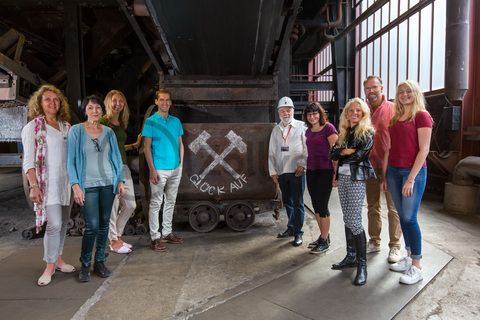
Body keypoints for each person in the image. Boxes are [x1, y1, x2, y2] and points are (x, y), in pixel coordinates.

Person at [21, 84, 75, 286]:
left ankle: (59, 259)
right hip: (46, 184)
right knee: (54, 224)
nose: (52, 103)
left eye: (56, 99)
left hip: (65, 183)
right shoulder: (33, 127)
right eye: (47, 99)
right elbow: (28, 161)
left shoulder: (65, 127)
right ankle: (50, 265)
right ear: (40, 103)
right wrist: (33, 185)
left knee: (63, 225)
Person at [67, 95, 125, 282]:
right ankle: (85, 264)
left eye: (98, 108)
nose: (94, 111)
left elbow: (116, 157)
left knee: (104, 224)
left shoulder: (109, 132)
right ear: (85, 110)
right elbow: (70, 161)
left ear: (102, 110)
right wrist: (75, 185)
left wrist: (120, 180)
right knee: (92, 225)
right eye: (90, 108)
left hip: (108, 183)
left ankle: (99, 261)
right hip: (88, 185)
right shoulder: (76, 131)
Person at [382, 80, 433, 285]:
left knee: (410, 218)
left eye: (408, 91)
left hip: (413, 173)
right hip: (394, 171)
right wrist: (385, 176)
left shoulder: (422, 116)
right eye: (401, 92)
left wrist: (411, 178)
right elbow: (390, 149)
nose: (404, 94)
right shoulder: (395, 118)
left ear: (415, 93)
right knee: (402, 217)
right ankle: (409, 256)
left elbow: (424, 150)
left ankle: (417, 266)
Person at [330, 98, 375, 286]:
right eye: (351, 110)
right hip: (343, 177)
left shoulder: (367, 132)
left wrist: (344, 151)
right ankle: (351, 256)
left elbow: (358, 155)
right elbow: (332, 154)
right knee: (347, 218)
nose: (354, 113)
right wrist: (344, 151)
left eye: (358, 110)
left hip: (356, 178)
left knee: (354, 220)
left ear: (363, 113)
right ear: (346, 114)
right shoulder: (344, 132)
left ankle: (362, 265)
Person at [363, 75, 402, 263]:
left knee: (393, 208)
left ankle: (395, 246)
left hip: (392, 166)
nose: (371, 91)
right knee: (372, 206)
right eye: (367, 89)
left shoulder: (394, 109)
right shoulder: (364, 112)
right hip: (370, 166)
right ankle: (374, 240)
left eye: (374, 87)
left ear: (382, 88)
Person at [142, 88, 184, 252]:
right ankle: (155, 237)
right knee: (156, 203)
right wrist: (152, 170)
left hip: (175, 169)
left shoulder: (176, 121)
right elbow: (146, 147)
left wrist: (181, 164)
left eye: (167, 100)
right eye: (162, 100)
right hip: (159, 169)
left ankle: (167, 233)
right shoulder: (150, 122)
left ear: (171, 103)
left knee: (171, 201)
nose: (165, 103)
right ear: (156, 102)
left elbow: (180, 144)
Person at [268, 96, 307, 247]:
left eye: (288, 110)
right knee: (288, 202)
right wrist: (272, 171)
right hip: (282, 171)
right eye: (283, 110)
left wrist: (303, 165)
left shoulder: (302, 127)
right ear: (279, 113)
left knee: (298, 202)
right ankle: (291, 228)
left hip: (296, 171)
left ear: (293, 111)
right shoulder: (276, 130)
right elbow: (271, 152)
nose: (286, 113)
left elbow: (306, 148)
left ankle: (298, 233)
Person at [101, 90, 136, 254]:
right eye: (114, 101)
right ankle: (113, 241)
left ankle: (117, 236)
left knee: (130, 205)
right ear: (108, 102)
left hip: (123, 166)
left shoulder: (120, 123)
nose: (118, 104)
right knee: (113, 206)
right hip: (111, 168)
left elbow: (119, 147)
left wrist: (134, 145)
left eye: (121, 102)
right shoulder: (103, 123)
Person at [302, 102, 338, 254]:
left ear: (320, 114)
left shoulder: (329, 128)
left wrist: (336, 174)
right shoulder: (308, 131)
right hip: (311, 170)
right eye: (310, 114)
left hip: (325, 171)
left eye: (315, 113)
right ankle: (323, 236)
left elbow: (336, 153)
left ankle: (324, 240)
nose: (313, 116)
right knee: (316, 205)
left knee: (322, 206)